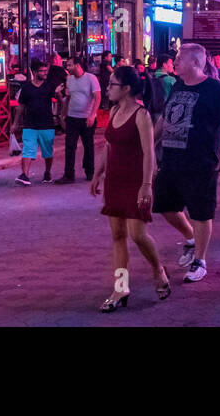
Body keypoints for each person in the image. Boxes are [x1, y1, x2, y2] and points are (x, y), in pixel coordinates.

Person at [153, 43, 220, 283]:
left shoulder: (214, 89)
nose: (175, 61)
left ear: (195, 62)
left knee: (201, 212)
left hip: (201, 161)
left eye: (180, 58)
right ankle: (191, 237)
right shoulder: (178, 85)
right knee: (164, 206)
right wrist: (150, 142)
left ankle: (199, 260)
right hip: (171, 159)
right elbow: (166, 117)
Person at [91, 66, 171, 310]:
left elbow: (149, 153)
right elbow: (108, 145)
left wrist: (146, 185)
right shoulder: (114, 111)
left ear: (126, 89)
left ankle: (158, 270)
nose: (107, 88)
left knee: (137, 234)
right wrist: (98, 172)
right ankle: (120, 287)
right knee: (118, 235)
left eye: (112, 84)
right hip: (114, 179)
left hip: (136, 179)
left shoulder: (141, 115)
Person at [15, 59, 61, 185]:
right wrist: (15, 123)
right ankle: (25, 175)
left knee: (47, 151)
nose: (45, 73)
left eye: (46, 71)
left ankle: (47, 173)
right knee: (28, 150)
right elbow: (20, 106)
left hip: (46, 123)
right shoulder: (26, 88)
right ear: (35, 72)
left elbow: (60, 100)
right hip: (30, 124)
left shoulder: (49, 86)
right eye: (42, 71)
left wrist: (58, 93)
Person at [58, 58, 100, 183]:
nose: (67, 68)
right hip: (72, 117)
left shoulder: (91, 78)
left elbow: (97, 97)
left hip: (87, 118)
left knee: (88, 146)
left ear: (77, 65)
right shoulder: (69, 80)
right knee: (70, 146)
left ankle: (90, 171)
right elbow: (68, 97)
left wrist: (92, 115)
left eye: (69, 65)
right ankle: (69, 174)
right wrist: (63, 114)